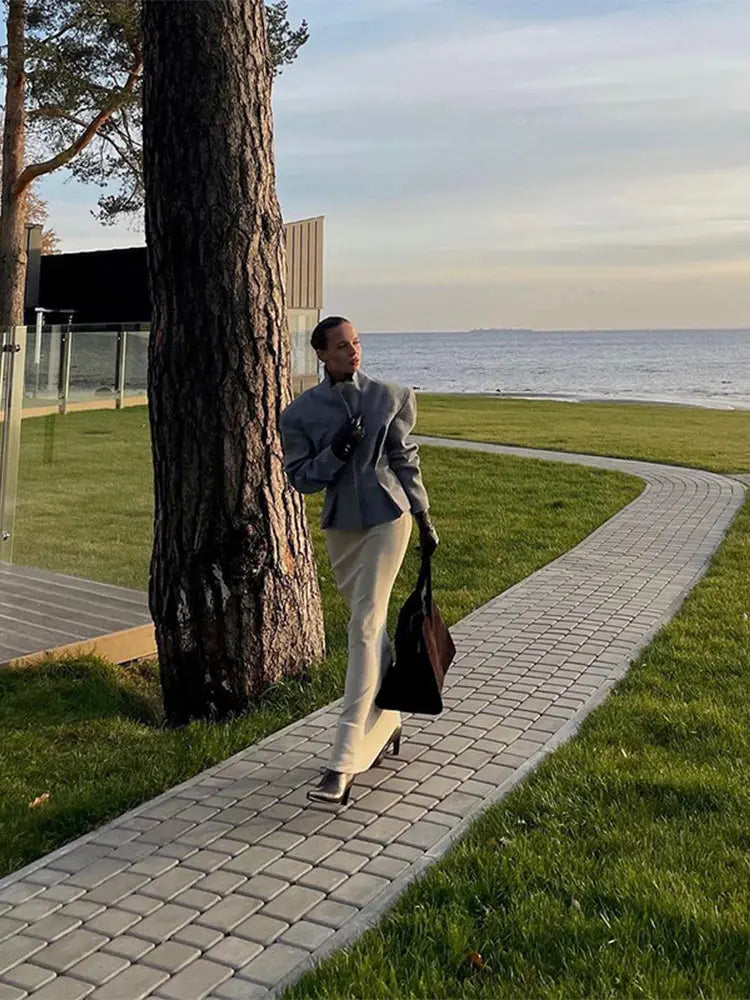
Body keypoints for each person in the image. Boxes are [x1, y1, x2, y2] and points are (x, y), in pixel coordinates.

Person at [279, 316, 439, 805]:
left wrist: (425, 517)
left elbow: (405, 461)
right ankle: (387, 720)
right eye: (342, 346)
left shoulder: (388, 396)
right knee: (366, 626)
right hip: (342, 528)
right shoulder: (299, 413)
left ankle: (342, 761)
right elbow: (301, 478)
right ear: (321, 355)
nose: (353, 352)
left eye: (357, 343)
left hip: (388, 518)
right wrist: (336, 452)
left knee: (364, 627)